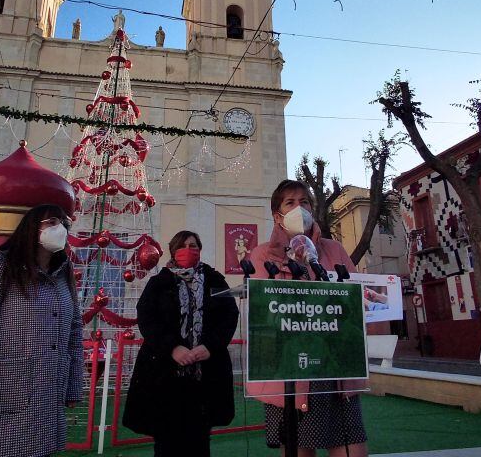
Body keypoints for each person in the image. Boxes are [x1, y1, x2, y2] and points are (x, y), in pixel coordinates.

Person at [245, 180, 369, 457]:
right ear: (277, 215)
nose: (299, 208)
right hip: (290, 367)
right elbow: (265, 309)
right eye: (290, 203)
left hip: (334, 365)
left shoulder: (334, 250)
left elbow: (353, 298)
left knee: (353, 449)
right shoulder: (262, 254)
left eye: (304, 202)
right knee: (300, 451)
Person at [0, 204, 83, 457]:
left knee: (37, 449)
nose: (61, 229)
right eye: (52, 222)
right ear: (32, 227)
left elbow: (74, 329)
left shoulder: (63, 271)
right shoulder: (3, 265)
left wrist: (74, 385)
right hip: (4, 390)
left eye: (64, 223)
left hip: (48, 390)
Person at [123, 230, 239, 457]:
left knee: (199, 441)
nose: (189, 249)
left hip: (203, 376)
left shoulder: (215, 280)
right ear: (174, 251)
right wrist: (173, 348)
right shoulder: (159, 282)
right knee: (166, 442)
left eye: (194, 245)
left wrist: (210, 346)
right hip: (165, 375)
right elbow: (147, 318)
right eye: (183, 245)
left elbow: (229, 315)